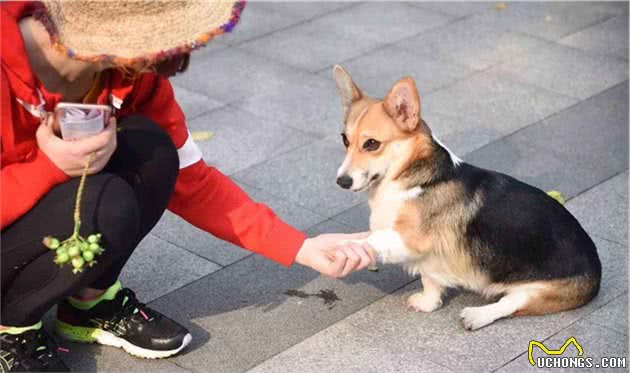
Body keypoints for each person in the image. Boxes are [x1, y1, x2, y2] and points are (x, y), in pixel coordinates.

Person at [0, 1, 375, 371]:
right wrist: (46, 168)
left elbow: (193, 180)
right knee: (106, 204)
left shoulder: (127, 75)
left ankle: (89, 303)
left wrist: (302, 247)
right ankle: (10, 329)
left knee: (154, 150)